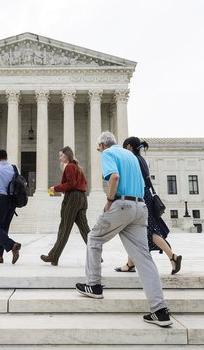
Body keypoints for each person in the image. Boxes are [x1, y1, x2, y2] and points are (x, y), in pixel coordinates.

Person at [76, 131, 172, 327]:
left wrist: (109, 201)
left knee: (93, 239)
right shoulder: (131, 156)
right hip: (140, 208)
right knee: (143, 258)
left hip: (122, 204)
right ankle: (159, 311)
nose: (98, 150)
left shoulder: (108, 154)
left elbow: (114, 177)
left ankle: (93, 285)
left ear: (103, 145)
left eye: (98, 148)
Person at [115, 137, 182, 274]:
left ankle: (172, 256)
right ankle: (130, 264)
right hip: (146, 195)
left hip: (139, 195)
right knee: (133, 229)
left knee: (150, 231)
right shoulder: (143, 160)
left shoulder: (132, 160)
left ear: (128, 147)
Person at [41, 146, 90, 266]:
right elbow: (84, 183)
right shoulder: (78, 167)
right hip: (82, 198)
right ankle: (97, 256)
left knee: (64, 228)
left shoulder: (69, 167)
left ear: (67, 155)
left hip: (72, 198)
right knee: (85, 229)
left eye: (61, 156)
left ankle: (53, 256)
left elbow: (71, 183)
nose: (59, 158)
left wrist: (55, 188)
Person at [0, 149, 21, 264]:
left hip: (1, 199)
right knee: (4, 229)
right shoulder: (14, 168)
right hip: (13, 201)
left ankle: (12, 245)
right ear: (7, 157)